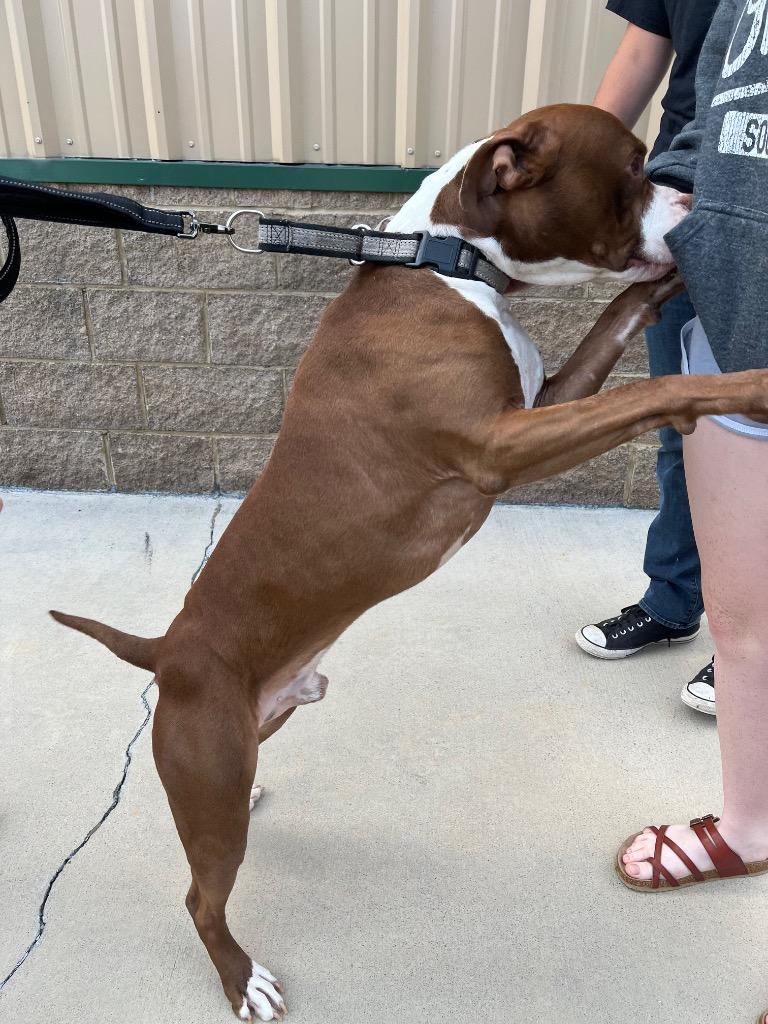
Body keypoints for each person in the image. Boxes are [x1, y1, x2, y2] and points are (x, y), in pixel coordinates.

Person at [610, 5, 768, 1019]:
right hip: (734, 298)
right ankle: (752, 823)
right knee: (744, 620)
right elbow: (711, 91)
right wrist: (664, 205)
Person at [576, 0, 719, 718]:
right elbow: (643, 51)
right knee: (682, 431)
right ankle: (673, 601)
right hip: (684, 199)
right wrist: (589, 175)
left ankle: (751, 638)